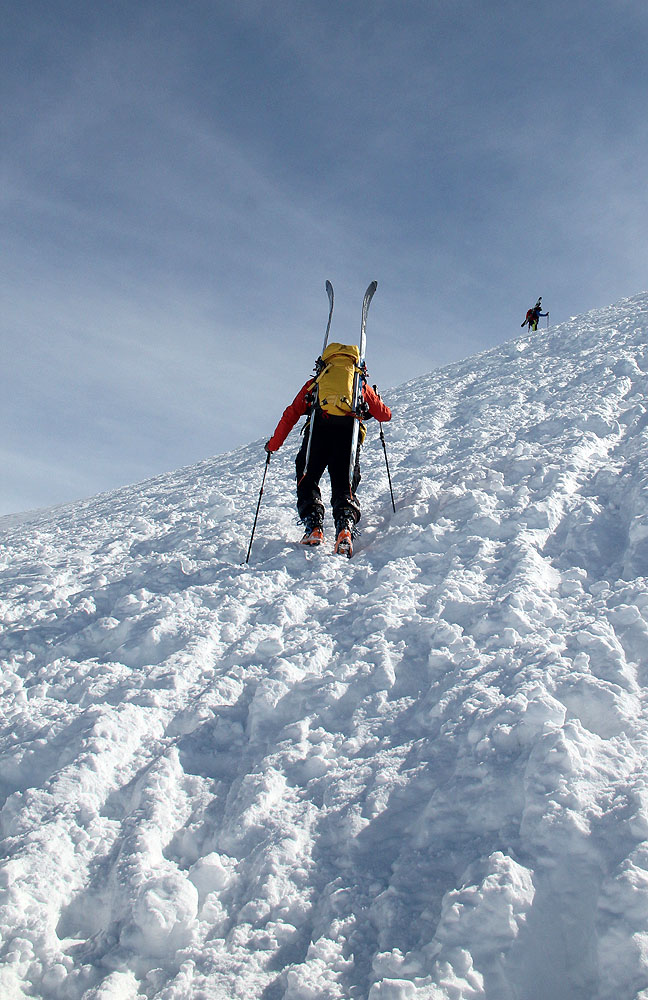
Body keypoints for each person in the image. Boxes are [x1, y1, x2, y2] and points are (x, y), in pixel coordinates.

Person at [265, 342, 392, 556]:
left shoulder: (316, 383)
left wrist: (274, 445)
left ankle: (314, 526)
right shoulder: (358, 384)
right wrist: (373, 399)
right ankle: (344, 527)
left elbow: (291, 414)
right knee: (344, 482)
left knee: (308, 476)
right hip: (347, 434)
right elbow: (385, 415)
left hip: (318, 432)